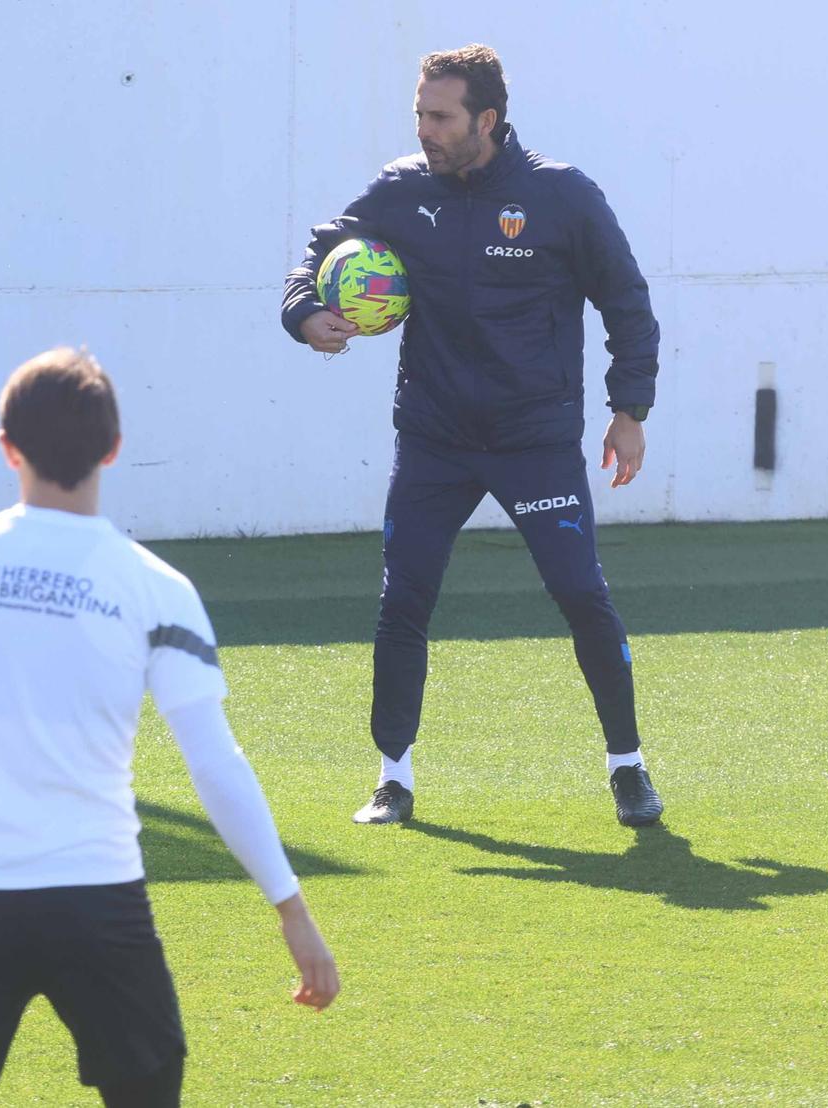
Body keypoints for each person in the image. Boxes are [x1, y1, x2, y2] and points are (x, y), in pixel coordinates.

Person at [0, 349, 338, 1107]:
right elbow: (216, 764)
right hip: (98, 903)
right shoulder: (157, 587)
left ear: (7, 447)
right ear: (112, 448)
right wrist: (291, 910)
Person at [279, 44, 666, 828]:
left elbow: (626, 301)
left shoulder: (562, 196)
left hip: (535, 440)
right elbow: (318, 254)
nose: (424, 128)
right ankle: (394, 778)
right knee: (403, 602)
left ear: (485, 119)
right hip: (435, 436)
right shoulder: (400, 189)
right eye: (419, 112)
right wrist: (303, 314)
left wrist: (630, 410)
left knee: (581, 596)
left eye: (439, 115)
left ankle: (628, 767)